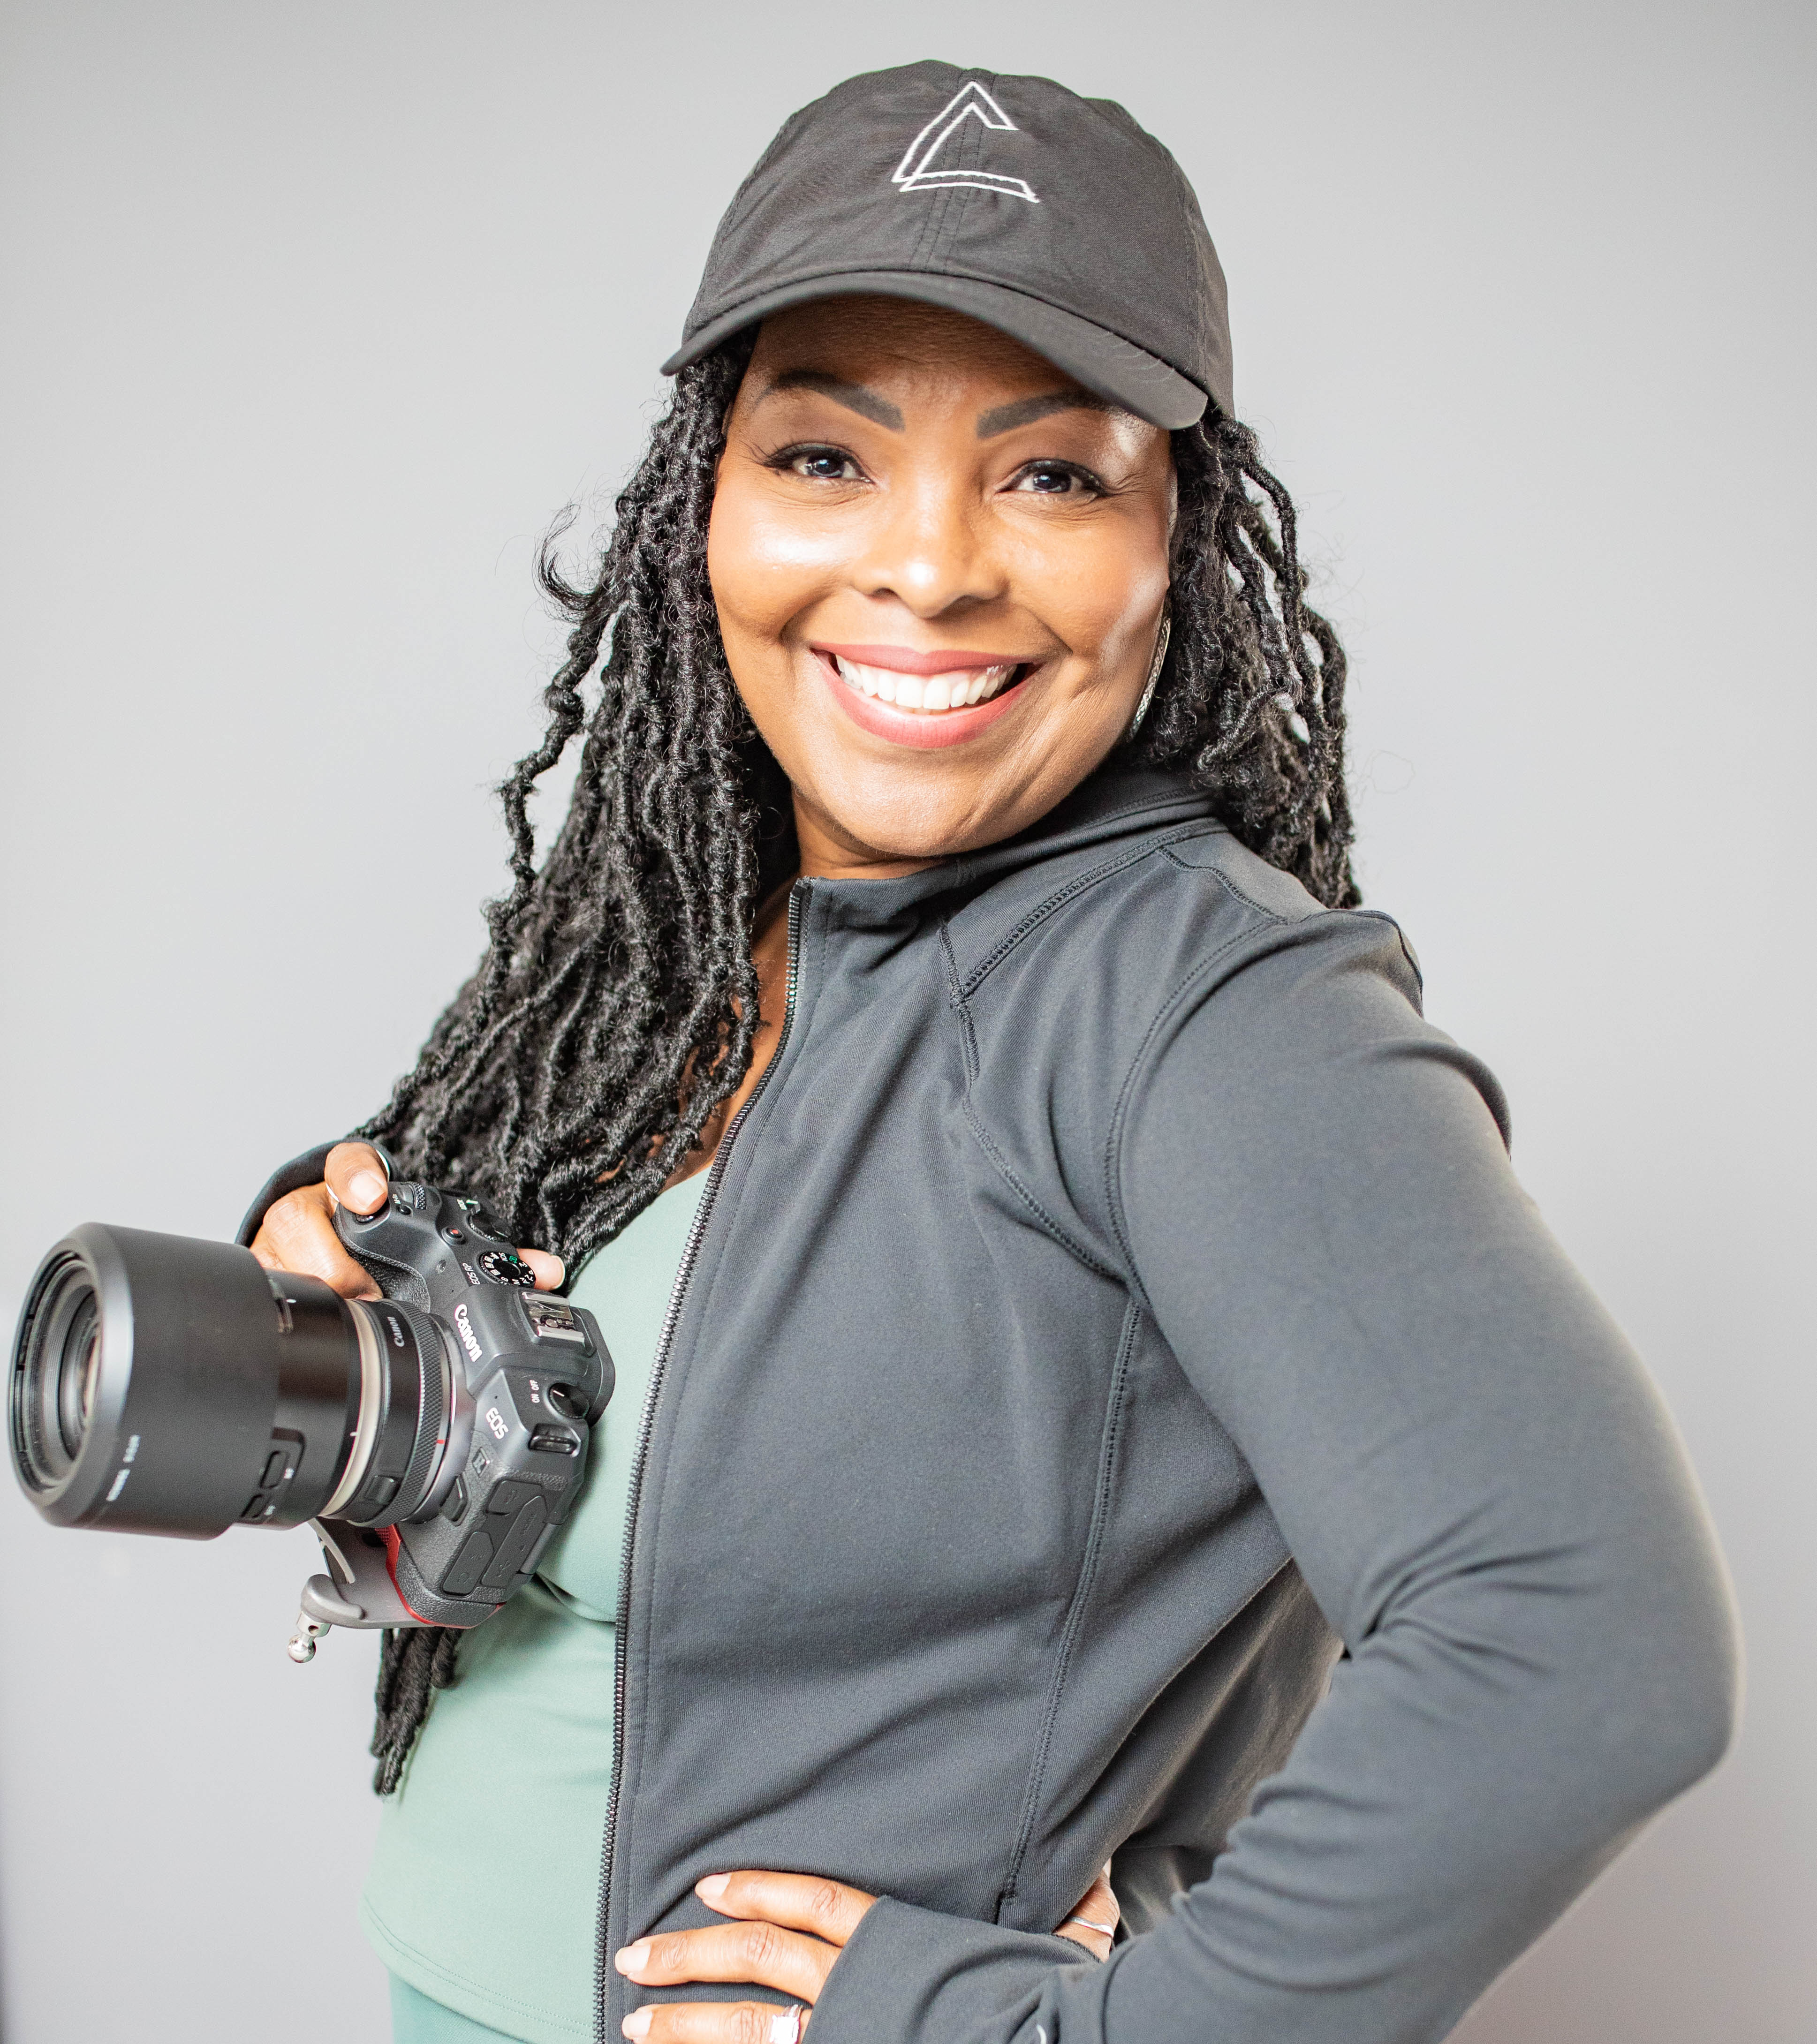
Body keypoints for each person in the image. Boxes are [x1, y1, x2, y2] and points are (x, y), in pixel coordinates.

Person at [241, 60, 1738, 2044]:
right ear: (710, 506)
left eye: (1050, 472)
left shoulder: (1205, 1006)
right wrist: (329, 1276)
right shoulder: (677, 944)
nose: (932, 564)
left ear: (1175, 540)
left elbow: (1586, 1643)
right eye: (826, 458)